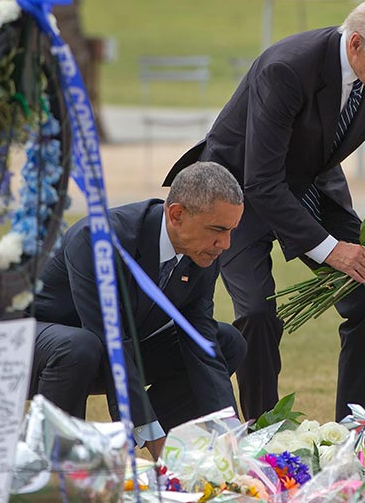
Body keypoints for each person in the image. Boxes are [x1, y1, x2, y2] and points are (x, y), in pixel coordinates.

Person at [165, 0, 365, 422]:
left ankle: (357, 429)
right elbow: (261, 183)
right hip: (237, 188)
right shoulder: (287, 68)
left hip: (311, 182)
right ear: (355, 44)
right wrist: (331, 249)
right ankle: (265, 433)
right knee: (257, 313)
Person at [29, 161, 246, 459]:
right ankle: (59, 460)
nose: (226, 243)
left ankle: (171, 448)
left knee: (227, 342)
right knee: (81, 345)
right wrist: (153, 439)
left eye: (232, 230)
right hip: (42, 350)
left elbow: (200, 339)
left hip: (109, 348)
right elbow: (107, 338)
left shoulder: (204, 249)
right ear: (177, 215)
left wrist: (229, 431)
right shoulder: (99, 238)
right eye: (218, 229)